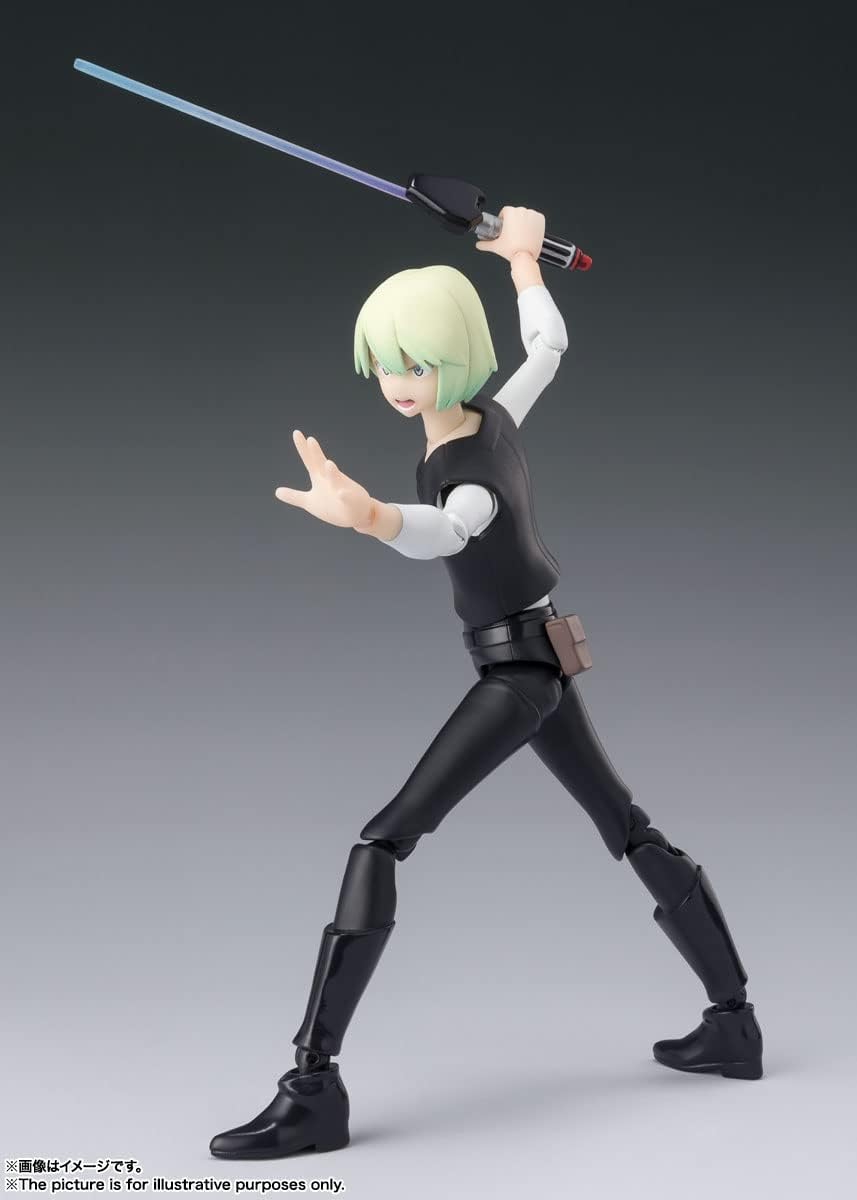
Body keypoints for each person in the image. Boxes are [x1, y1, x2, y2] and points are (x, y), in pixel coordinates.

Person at [209, 207, 763, 1161]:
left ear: (454, 358)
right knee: (626, 827)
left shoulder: (467, 469)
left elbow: (450, 529)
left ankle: (312, 1088)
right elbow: (545, 346)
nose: (397, 382)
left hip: (517, 673)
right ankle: (734, 1026)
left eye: (415, 364)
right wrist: (520, 265)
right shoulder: (491, 416)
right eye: (385, 364)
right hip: (539, 652)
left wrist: (371, 517)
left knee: (382, 840)